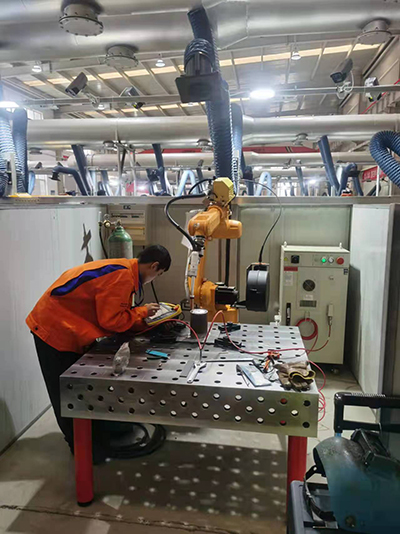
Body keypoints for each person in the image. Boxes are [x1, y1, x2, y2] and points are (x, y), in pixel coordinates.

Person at [26, 244, 171, 460]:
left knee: (79, 390)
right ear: (154, 266)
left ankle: (94, 434)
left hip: (65, 325)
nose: (155, 278)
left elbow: (114, 312)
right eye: (158, 274)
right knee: (66, 394)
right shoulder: (122, 277)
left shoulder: (124, 269)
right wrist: (142, 311)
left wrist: (139, 319)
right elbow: (112, 321)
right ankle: (82, 449)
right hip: (53, 330)